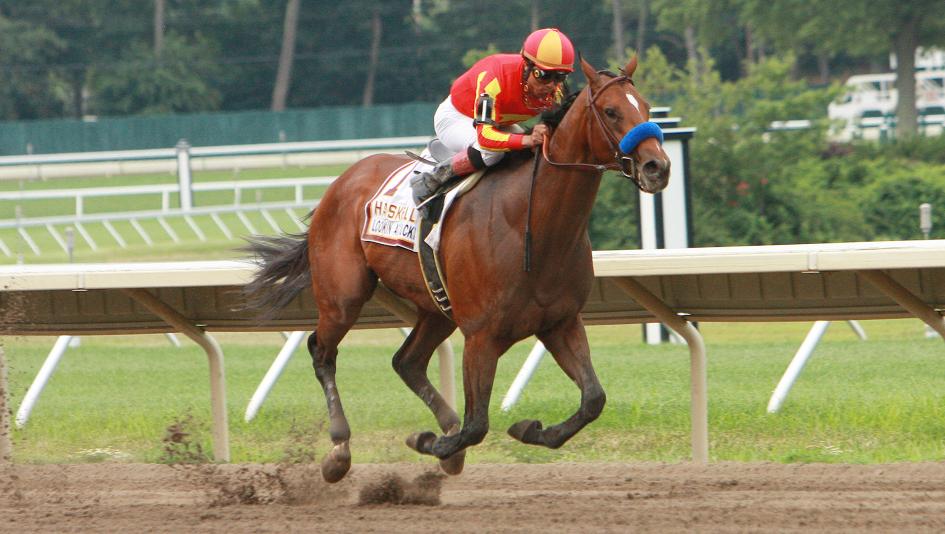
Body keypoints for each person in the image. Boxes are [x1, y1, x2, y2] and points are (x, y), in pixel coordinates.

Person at [411, 27, 575, 219]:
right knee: (493, 153)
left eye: (560, 77)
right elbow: (486, 137)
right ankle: (432, 179)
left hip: (498, 121)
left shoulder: (556, 90)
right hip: (457, 118)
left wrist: (543, 132)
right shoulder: (494, 78)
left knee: (530, 153)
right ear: (527, 66)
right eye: (543, 75)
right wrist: (528, 140)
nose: (551, 85)